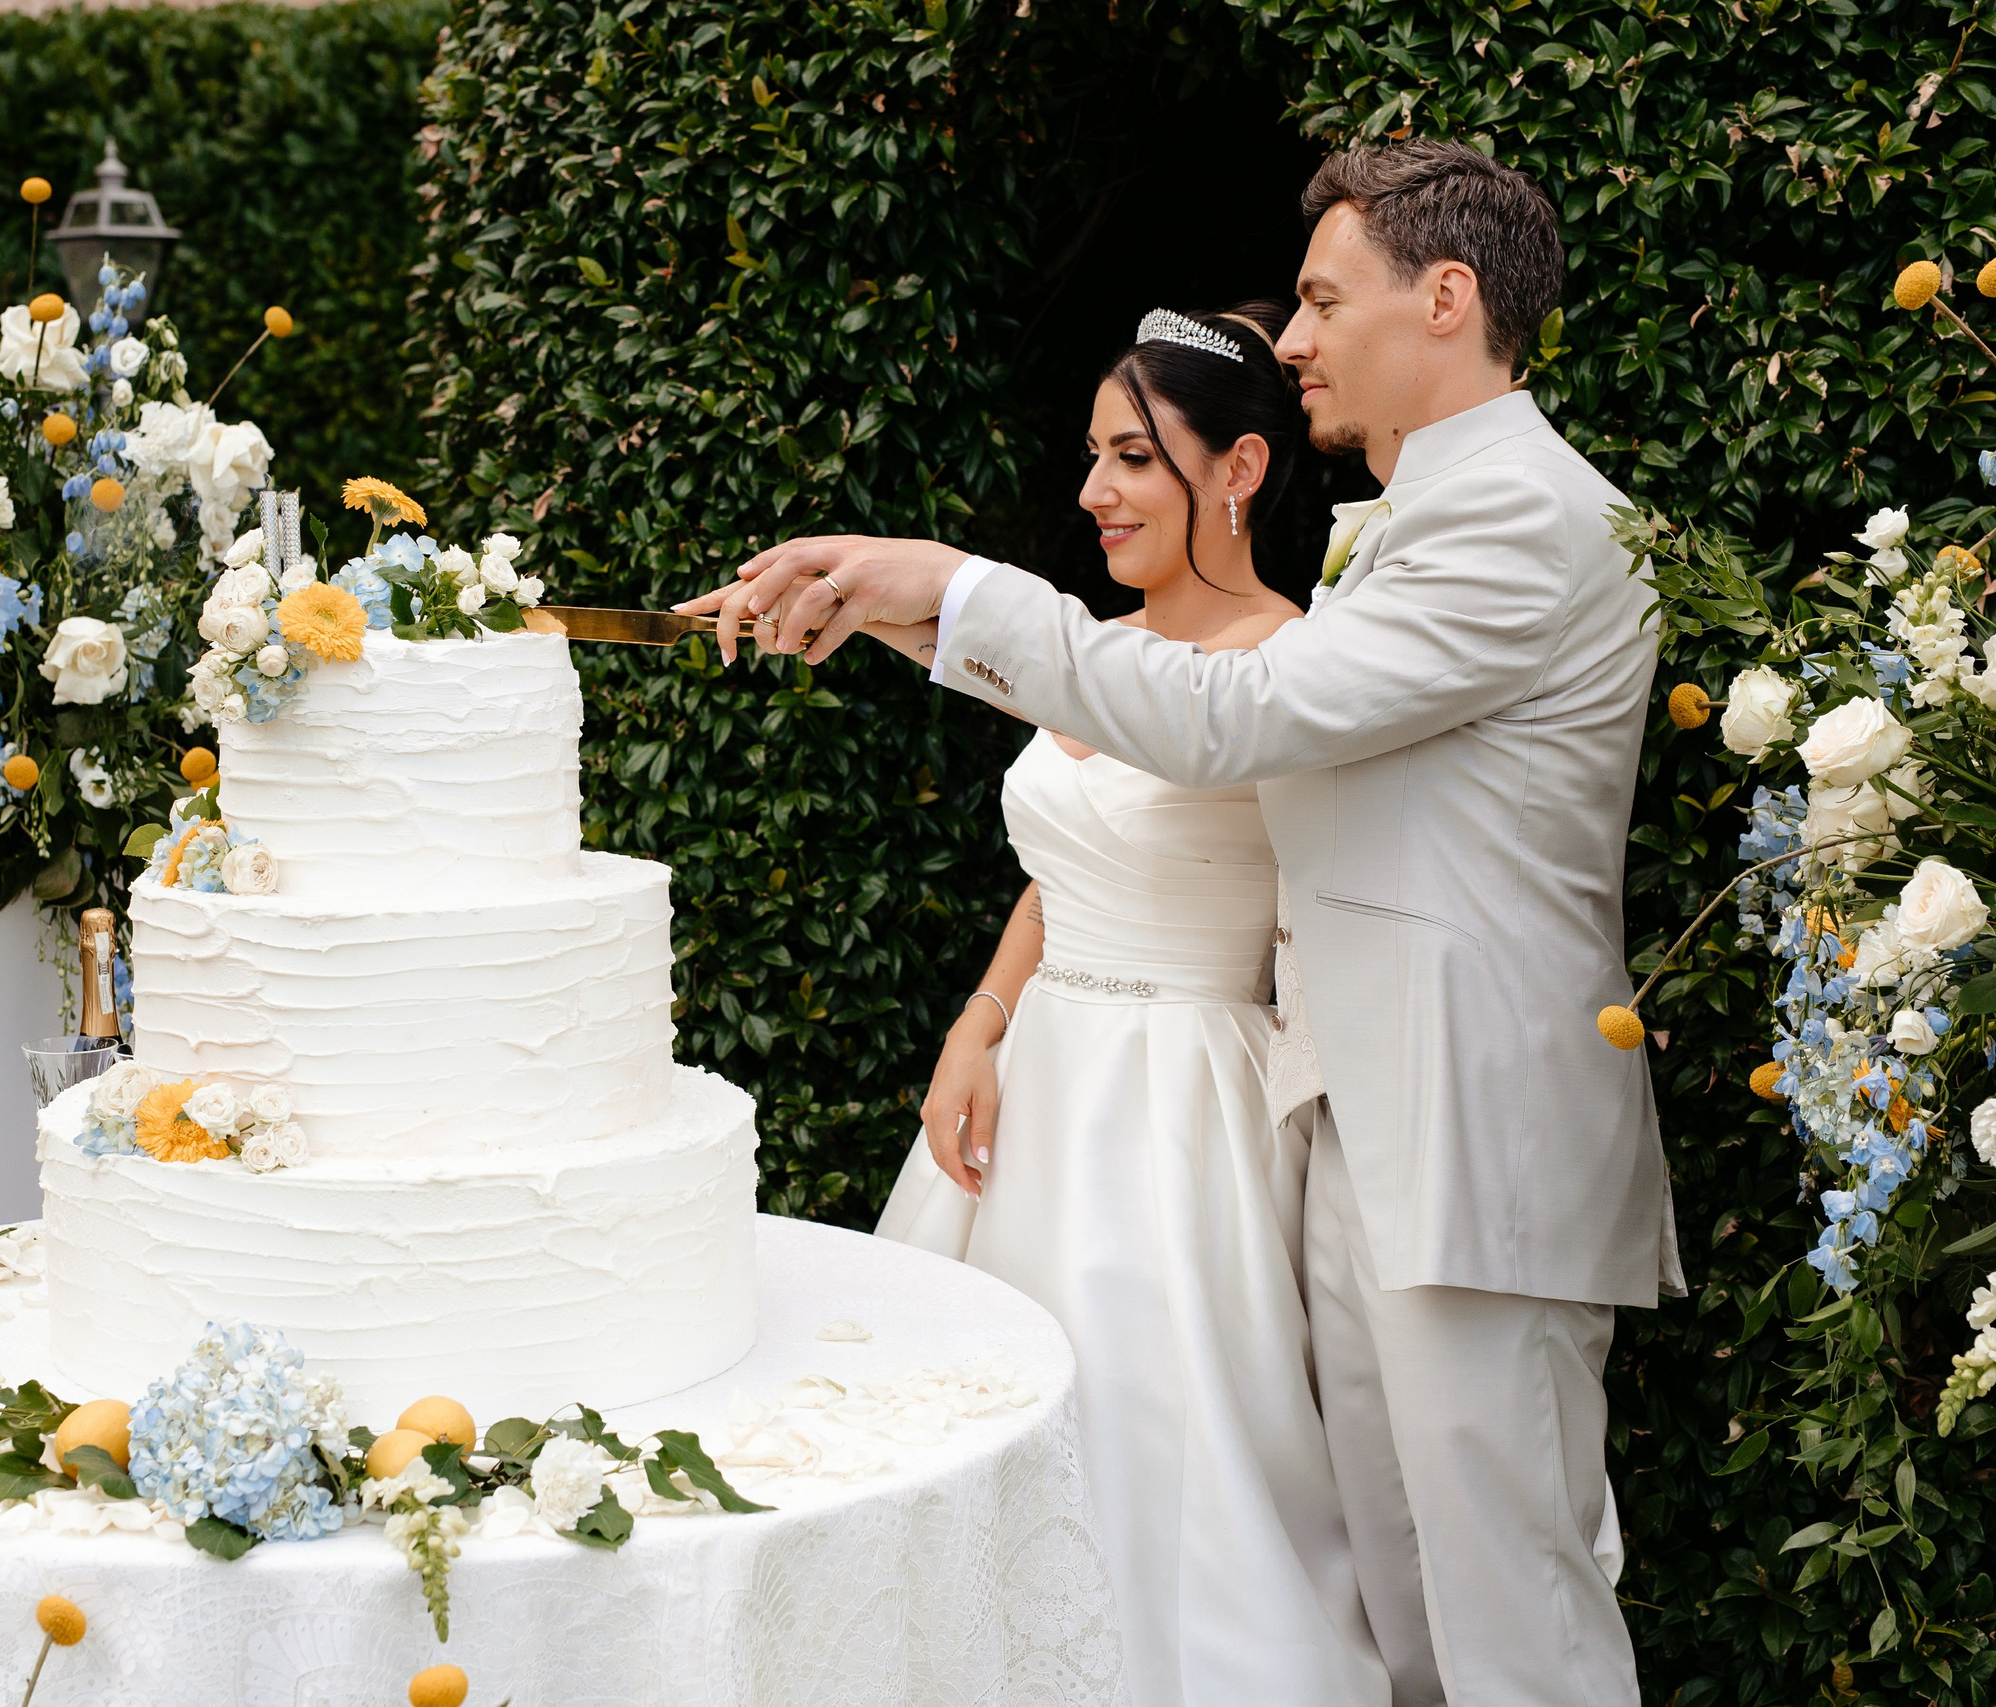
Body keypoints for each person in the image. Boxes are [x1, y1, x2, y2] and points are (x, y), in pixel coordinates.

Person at [683, 140, 1684, 1707]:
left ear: (1446, 297)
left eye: (1320, 298)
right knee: (1412, 1598)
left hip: (1475, 1139)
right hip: (1365, 1115)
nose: (1293, 341)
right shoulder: (1410, 522)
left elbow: (1237, 717)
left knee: (1513, 1613)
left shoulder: (1522, 523)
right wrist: (911, 619)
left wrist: (958, 587)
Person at [873, 299, 1390, 1707]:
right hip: (1038, 1085)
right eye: (1093, 456)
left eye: (1135, 459)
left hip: (1184, 1108)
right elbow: (1068, 861)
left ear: (1237, 472)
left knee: (1159, 1438)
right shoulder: (1085, 647)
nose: (1094, 492)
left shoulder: (1301, 670)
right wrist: (982, 1021)